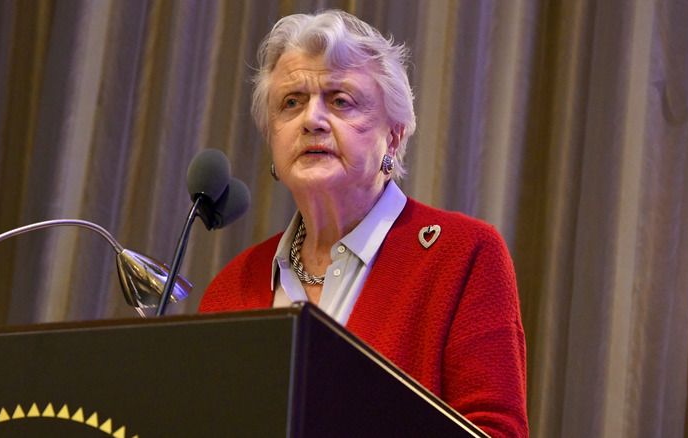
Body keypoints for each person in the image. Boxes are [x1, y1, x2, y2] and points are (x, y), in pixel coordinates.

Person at [199, 10, 528, 437]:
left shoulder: (463, 255)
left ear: (393, 136)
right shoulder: (232, 289)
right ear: (272, 136)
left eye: (340, 100)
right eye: (291, 102)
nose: (312, 120)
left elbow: (494, 431)